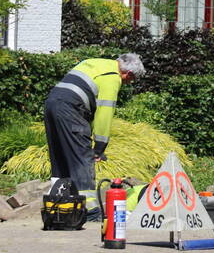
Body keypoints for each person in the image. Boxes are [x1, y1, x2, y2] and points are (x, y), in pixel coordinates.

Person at [44, 53, 145, 221]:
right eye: (131, 80)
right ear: (128, 74)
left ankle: (59, 209)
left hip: (52, 104)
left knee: (60, 159)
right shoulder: (113, 78)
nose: (128, 83)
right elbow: (104, 113)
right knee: (82, 159)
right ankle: (90, 212)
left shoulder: (94, 62)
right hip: (70, 109)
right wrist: (99, 148)